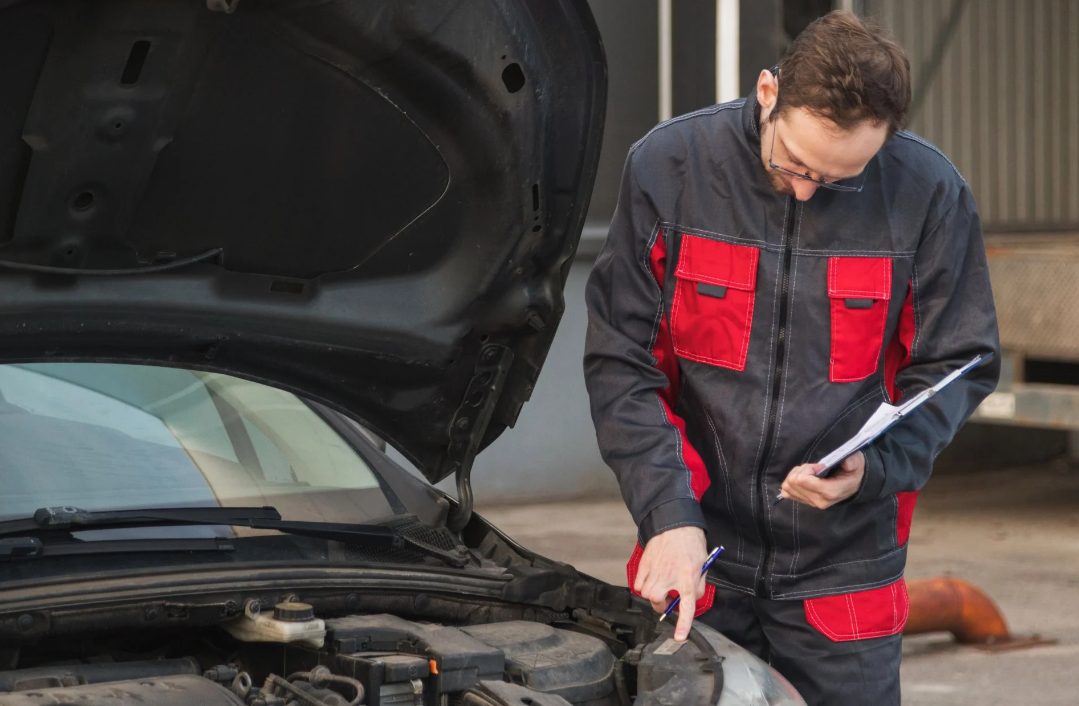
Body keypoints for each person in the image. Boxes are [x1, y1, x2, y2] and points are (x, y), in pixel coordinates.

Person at [583, 10, 999, 705]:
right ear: (767, 93)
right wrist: (667, 515)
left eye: (840, 178)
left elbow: (958, 365)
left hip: (844, 572)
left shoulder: (927, 194)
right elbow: (623, 362)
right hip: (699, 551)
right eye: (795, 165)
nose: (808, 189)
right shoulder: (669, 168)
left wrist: (874, 467)